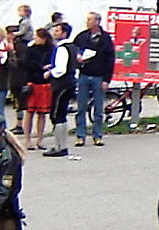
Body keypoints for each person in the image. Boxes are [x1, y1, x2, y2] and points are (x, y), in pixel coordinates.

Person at [73, 12, 115, 147]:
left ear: (97, 21)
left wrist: (106, 80)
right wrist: (78, 58)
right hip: (84, 75)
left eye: (90, 20)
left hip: (99, 76)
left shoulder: (106, 38)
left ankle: (97, 135)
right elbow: (73, 51)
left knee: (98, 108)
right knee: (81, 106)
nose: (87, 22)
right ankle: (80, 135)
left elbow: (110, 60)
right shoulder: (82, 36)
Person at [43, 23, 76, 158]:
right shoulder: (72, 47)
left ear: (64, 33)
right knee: (61, 115)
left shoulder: (62, 48)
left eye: (57, 31)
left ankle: (60, 146)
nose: (54, 33)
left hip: (62, 84)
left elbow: (61, 69)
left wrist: (50, 72)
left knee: (56, 115)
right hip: (70, 83)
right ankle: (62, 145)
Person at [24, 28, 54, 151]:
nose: (35, 39)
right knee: (29, 112)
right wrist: (41, 67)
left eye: (37, 37)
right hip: (32, 82)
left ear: (44, 38)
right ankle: (27, 140)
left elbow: (52, 63)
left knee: (42, 113)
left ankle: (40, 139)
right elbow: (27, 64)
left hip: (45, 84)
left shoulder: (51, 50)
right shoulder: (30, 50)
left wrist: (47, 67)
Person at [6, 26, 30, 135]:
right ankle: (18, 123)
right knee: (15, 101)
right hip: (12, 77)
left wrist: (12, 53)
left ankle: (20, 124)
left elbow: (20, 63)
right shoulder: (8, 46)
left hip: (20, 77)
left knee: (20, 101)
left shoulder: (20, 46)